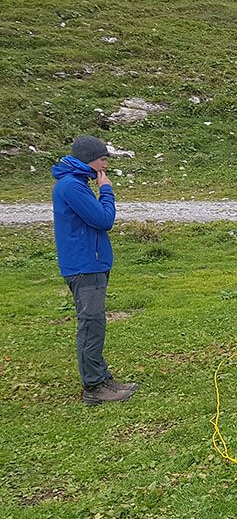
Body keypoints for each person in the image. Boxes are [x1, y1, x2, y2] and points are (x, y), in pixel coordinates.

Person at [52, 135, 138, 405]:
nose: (105, 165)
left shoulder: (76, 184)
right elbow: (104, 220)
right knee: (91, 325)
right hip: (84, 265)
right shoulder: (72, 187)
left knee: (96, 323)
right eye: (102, 159)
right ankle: (94, 387)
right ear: (88, 159)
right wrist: (107, 191)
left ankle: (102, 378)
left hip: (91, 262)